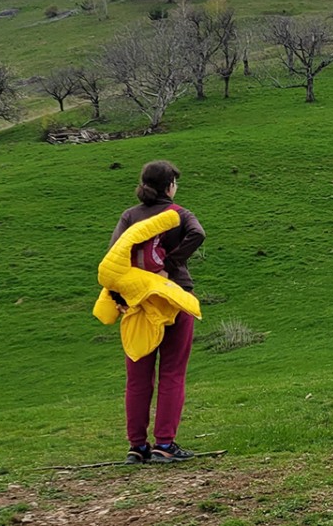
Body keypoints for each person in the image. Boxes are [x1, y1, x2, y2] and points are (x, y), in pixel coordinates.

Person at [110, 160, 205, 464]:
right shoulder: (178, 213)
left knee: (138, 375)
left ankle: (137, 446)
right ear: (169, 186)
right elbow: (198, 234)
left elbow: (114, 257)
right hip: (175, 295)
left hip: (137, 302)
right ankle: (165, 443)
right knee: (172, 371)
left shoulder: (130, 217)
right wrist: (173, 263)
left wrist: (117, 295)